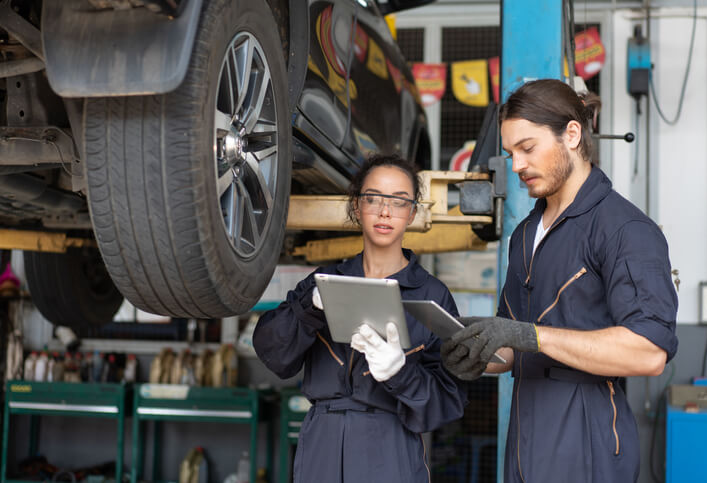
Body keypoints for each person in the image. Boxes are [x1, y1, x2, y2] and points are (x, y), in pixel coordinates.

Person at [441, 79, 678, 483]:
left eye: (527, 148)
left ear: (572, 133)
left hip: (588, 438)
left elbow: (649, 352)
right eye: (510, 153)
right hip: (524, 434)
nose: (516, 165)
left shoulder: (624, 229)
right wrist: (476, 353)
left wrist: (530, 336)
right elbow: (513, 345)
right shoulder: (524, 234)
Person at [253, 153, 466, 483]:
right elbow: (274, 352)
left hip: (389, 447)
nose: (385, 211)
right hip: (321, 443)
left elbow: (448, 402)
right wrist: (308, 308)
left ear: (412, 213)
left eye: (398, 201)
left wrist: (401, 373)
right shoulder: (323, 281)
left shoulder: (432, 296)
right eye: (373, 199)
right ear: (356, 206)